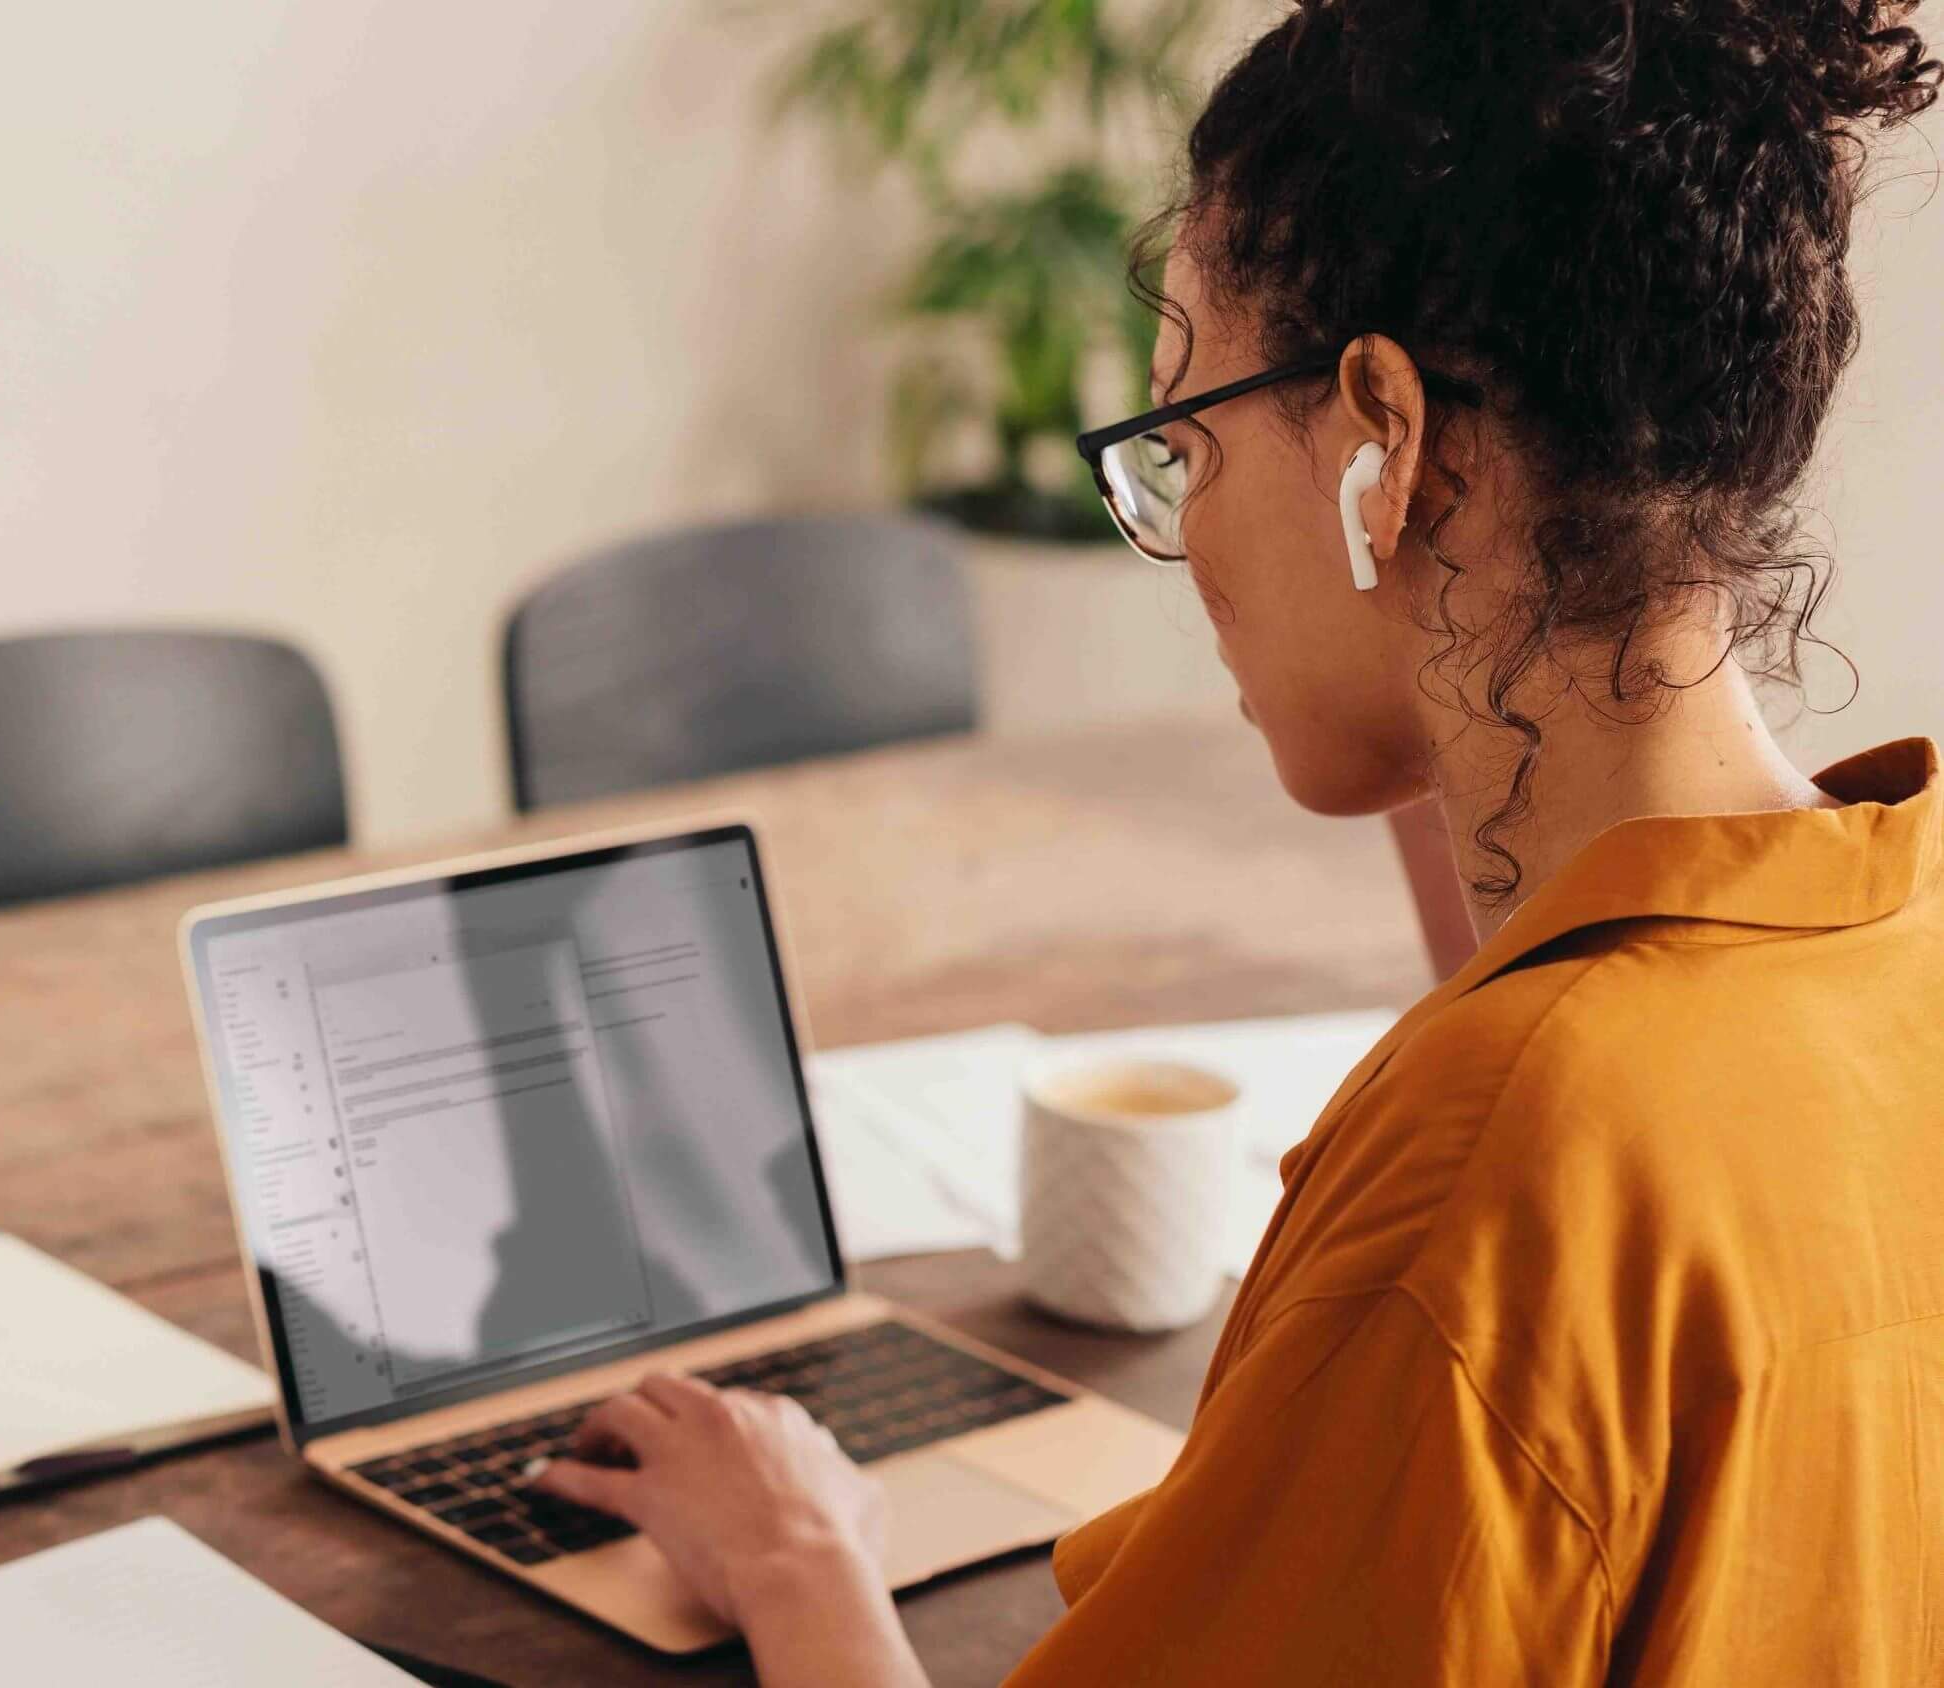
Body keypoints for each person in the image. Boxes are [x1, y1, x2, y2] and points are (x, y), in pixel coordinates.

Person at [528, 0, 1944, 1680]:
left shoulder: (1505, 1163)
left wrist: (795, 1559)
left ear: (1383, 438)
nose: (1184, 540)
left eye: (1184, 441)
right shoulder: (1888, 951)